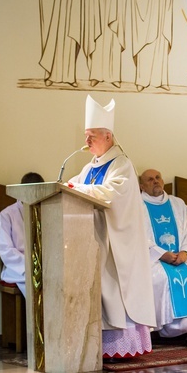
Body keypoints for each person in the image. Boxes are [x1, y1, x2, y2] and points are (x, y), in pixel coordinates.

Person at [67, 95, 156, 359]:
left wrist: (78, 188)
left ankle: (121, 346)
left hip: (116, 243)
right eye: (86, 135)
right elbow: (73, 187)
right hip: (93, 240)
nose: (86, 141)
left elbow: (113, 195)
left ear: (107, 136)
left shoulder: (122, 165)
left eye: (91, 135)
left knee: (114, 289)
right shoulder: (89, 167)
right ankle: (97, 345)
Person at [139, 169, 187, 347]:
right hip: (153, 259)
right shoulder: (136, 206)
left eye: (158, 177)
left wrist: (185, 252)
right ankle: (169, 329)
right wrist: (162, 254)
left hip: (181, 256)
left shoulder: (177, 203)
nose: (156, 181)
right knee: (162, 278)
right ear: (141, 185)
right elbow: (137, 236)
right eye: (150, 180)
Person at [0, 172, 45, 298]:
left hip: (44, 266)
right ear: (21, 191)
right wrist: (31, 266)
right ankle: (37, 317)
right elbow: (6, 250)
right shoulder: (7, 215)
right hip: (18, 269)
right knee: (39, 288)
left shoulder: (46, 212)